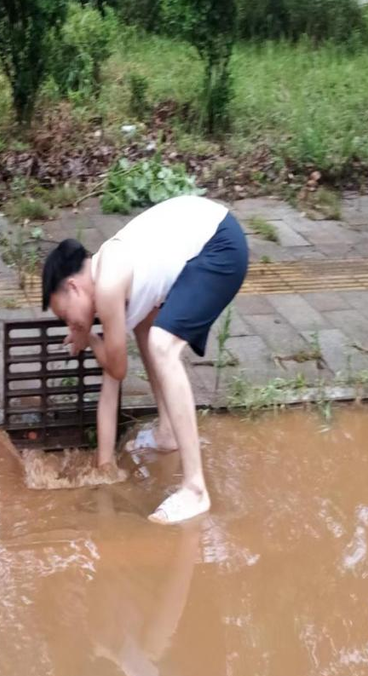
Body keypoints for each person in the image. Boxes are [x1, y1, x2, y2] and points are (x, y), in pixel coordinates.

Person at [40, 195, 248, 524]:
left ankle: (195, 490)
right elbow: (111, 382)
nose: (71, 325)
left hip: (221, 243)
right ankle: (167, 435)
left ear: (73, 287)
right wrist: (104, 466)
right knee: (146, 330)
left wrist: (90, 338)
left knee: (162, 345)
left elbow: (117, 368)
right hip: (207, 236)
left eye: (66, 315)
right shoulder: (111, 280)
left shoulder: (108, 287)